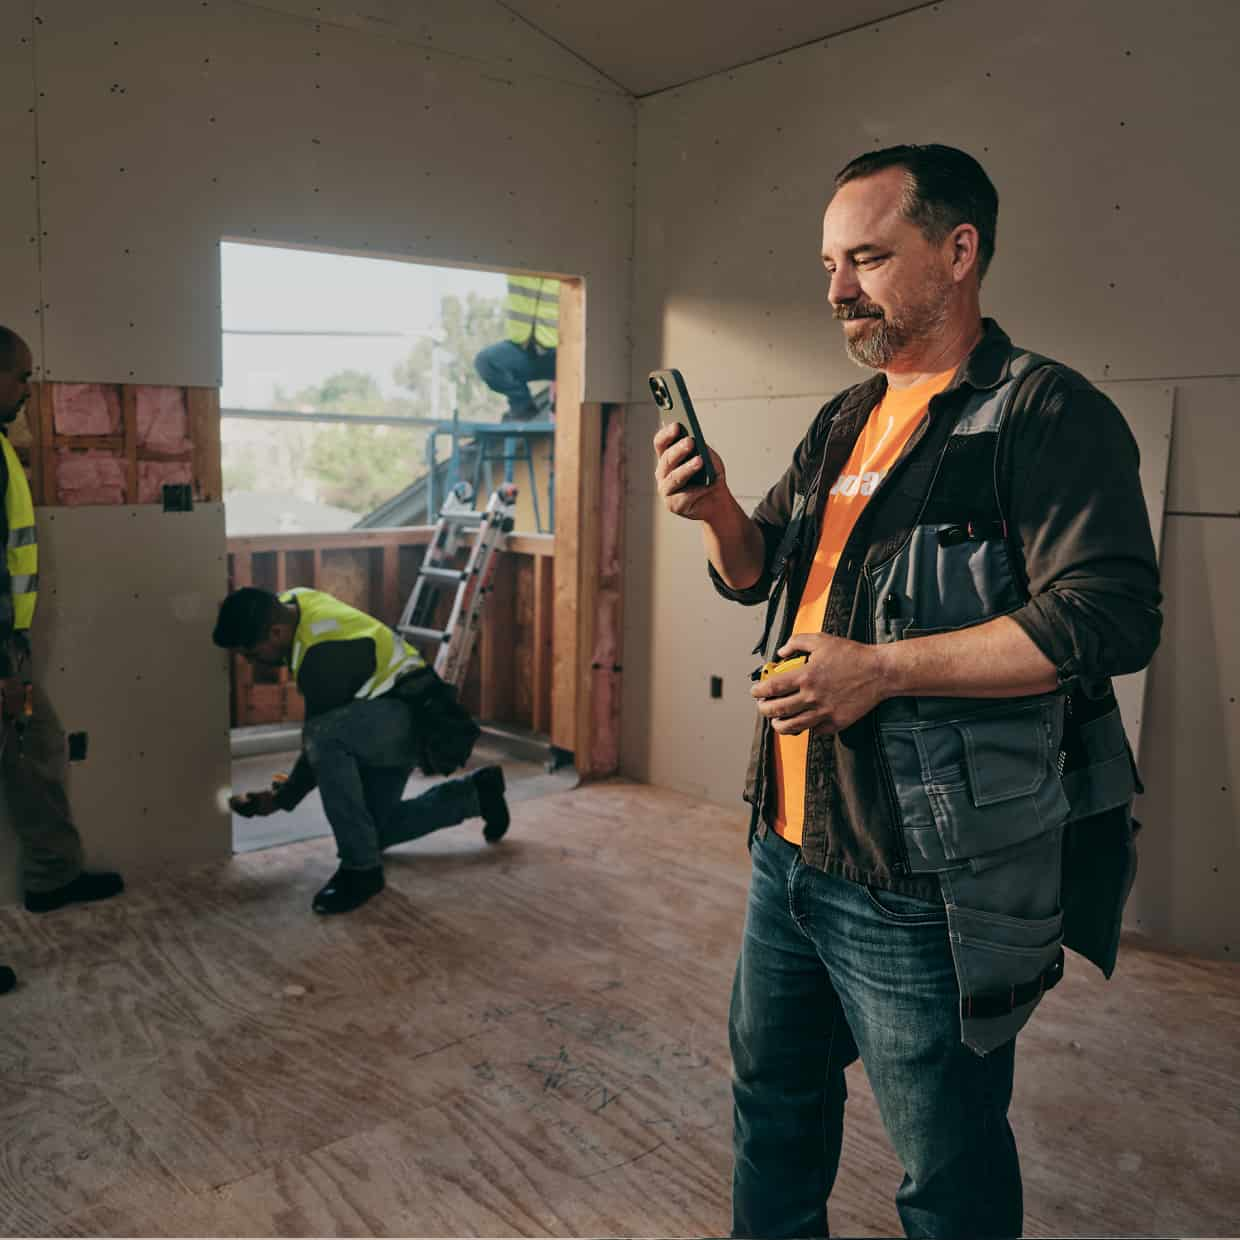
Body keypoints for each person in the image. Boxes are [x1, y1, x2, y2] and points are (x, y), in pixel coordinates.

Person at [653, 145, 1161, 1239]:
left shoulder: (1042, 418)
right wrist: (720, 513)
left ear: (958, 250)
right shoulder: (844, 417)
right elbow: (765, 573)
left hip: (919, 875)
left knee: (945, 1158)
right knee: (773, 1101)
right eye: (831, 263)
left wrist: (880, 668)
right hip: (786, 841)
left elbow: (1109, 618)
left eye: (869, 258)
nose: (837, 288)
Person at [213, 585, 511, 915]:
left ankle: (361, 871)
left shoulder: (321, 659)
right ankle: (477, 794)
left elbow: (318, 744)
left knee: (324, 736)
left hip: (412, 721)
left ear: (276, 632)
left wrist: (282, 800)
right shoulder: (295, 600)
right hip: (385, 712)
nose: (254, 662)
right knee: (372, 830)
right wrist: (284, 796)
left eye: (253, 653)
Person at [0, 326, 124, 930]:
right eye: (20, 375)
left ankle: (53, 877)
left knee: (36, 751)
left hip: (9, 652)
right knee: (32, 751)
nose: (28, 388)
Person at [474, 275, 559, 420]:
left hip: (561, 352)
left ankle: (565, 406)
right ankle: (523, 408)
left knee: (589, 365)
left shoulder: (567, 262)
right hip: (523, 348)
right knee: (486, 362)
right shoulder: (519, 264)